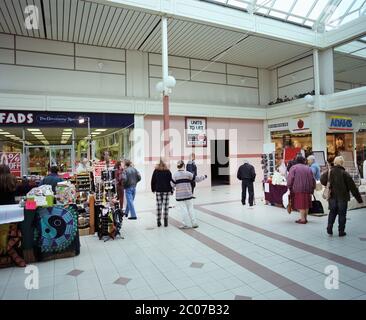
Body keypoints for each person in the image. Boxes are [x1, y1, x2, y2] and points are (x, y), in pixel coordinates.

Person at [320, 156, 363, 237]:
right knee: (342, 214)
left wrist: (328, 184)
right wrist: (359, 199)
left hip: (332, 197)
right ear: (342, 163)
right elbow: (353, 188)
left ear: (335, 162)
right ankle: (341, 231)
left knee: (332, 213)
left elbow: (322, 179)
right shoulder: (345, 173)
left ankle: (329, 228)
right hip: (343, 198)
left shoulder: (329, 172)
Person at [171, 160, 207, 229]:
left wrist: (172, 190)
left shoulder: (175, 175)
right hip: (188, 195)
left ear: (177, 166)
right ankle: (194, 223)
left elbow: (172, 185)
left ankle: (186, 224)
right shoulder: (188, 174)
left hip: (180, 196)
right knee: (191, 209)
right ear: (184, 166)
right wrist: (204, 177)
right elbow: (197, 179)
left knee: (183, 210)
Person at [287, 155, 316, 224]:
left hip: (298, 188)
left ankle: (303, 219)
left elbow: (290, 179)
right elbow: (313, 179)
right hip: (308, 188)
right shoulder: (308, 168)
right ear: (304, 161)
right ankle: (305, 218)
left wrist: (289, 186)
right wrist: (312, 188)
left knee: (301, 204)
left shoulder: (294, 168)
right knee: (306, 203)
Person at [151, 158, 173, 227]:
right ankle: (166, 222)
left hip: (158, 190)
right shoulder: (168, 171)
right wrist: (171, 190)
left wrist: (153, 189)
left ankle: (158, 221)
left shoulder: (156, 171)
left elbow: (153, 181)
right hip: (166, 191)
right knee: (166, 206)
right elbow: (171, 182)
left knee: (159, 206)